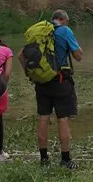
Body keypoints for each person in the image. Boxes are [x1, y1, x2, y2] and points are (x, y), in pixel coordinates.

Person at [19, 9, 82, 169]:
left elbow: (21, 55)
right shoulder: (64, 30)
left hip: (41, 82)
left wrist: (32, 75)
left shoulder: (39, 32)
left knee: (43, 118)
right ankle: (66, 159)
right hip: (61, 80)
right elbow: (78, 56)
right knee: (62, 118)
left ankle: (44, 159)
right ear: (63, 20)